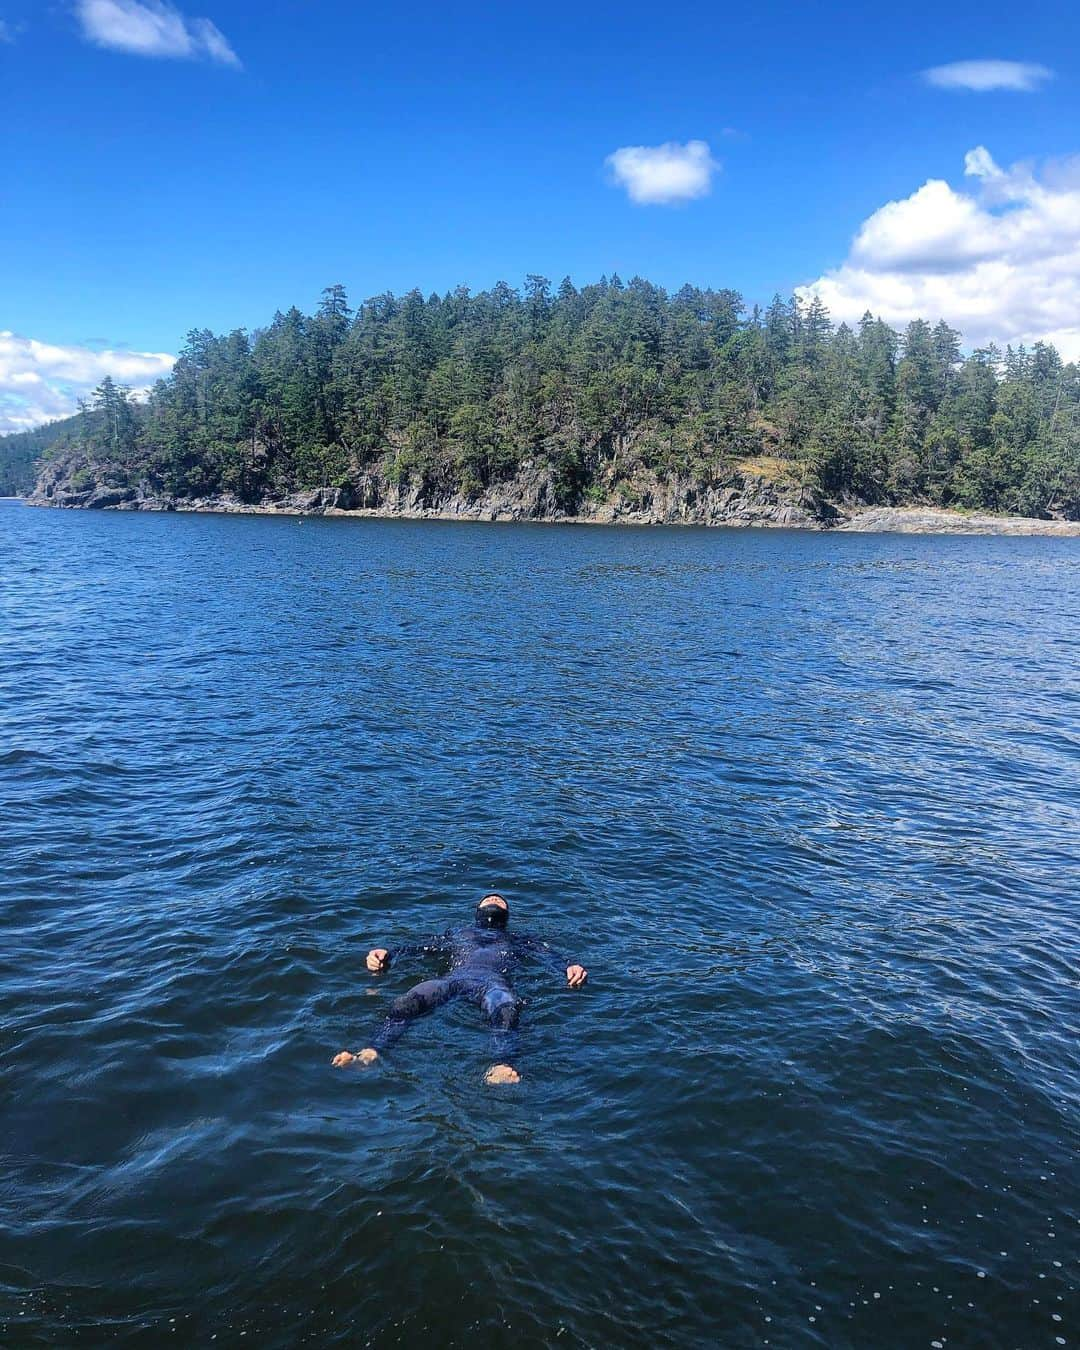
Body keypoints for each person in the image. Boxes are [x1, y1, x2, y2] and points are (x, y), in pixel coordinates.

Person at [332, 893, 588, 1085]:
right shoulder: (458, 933)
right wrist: (387, 954)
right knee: (406, 1002)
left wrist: (569, 966)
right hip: (452, 980)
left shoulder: (519, 940)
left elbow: (549, 956)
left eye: (501, 900)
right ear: (477, 911)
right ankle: (371, 1052)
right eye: (489, 898)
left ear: (506, 917)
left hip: (493, 983)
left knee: (507, 1011)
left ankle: (501, 1066)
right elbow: (419, 948)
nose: (495, 898)